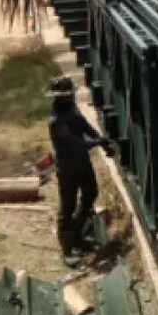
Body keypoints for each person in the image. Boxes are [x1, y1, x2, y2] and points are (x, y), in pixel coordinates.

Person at [47, 75, 114, 265]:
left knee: (91, 194)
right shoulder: (56, 120)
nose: (70, 97)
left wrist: (100, 139)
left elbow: (85, 126)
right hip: (68, 168)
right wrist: (96, 142)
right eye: (67, 95)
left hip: (82, 163)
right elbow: (75, 143)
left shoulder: (72, 110)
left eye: (70, 94)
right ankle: (67, 249)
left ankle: (77, 235)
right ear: (59, 97)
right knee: (67, 206)